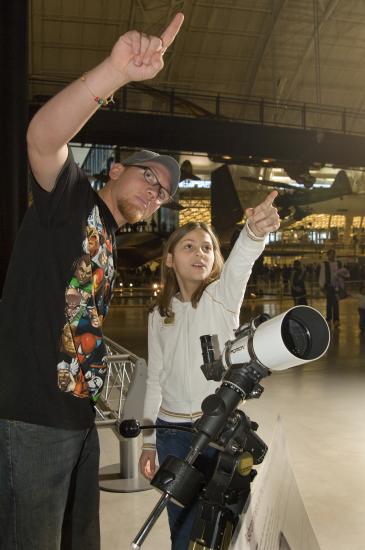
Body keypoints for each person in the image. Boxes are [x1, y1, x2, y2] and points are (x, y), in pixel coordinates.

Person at [0, 12, 184, 550]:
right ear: (116, 170)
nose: (155, 194)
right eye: (149, 177)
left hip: (77, 419)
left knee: (79, 538)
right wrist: (115, 73)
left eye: (164, 194)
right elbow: (41, 136)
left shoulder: (109, 235)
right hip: (32, 419)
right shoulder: (71, 198)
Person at [139, 192, 280, 549]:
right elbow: (155, 377)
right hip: (172, 433)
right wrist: (148, 440)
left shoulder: (221, 297)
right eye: (188, 246)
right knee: (182, 528)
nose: (200, 253)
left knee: (226, 528)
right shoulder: (160, 315)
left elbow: (240, 264)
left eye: (207, 247)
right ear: (170, 260)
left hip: (218, 434)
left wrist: (253, 232)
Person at [318, 248, 347, 328]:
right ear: (328, 255)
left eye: (333, 254)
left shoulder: (339, 263)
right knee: (329, 303)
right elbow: (322, 275)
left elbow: (342, 275)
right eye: (330, 254)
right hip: (329, 287)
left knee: (336, 304)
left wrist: (342, 287)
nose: (332, 256)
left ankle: (336, 320)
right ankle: (329, 318)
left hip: (337, 287)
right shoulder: (324, 264)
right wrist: (322, 287)